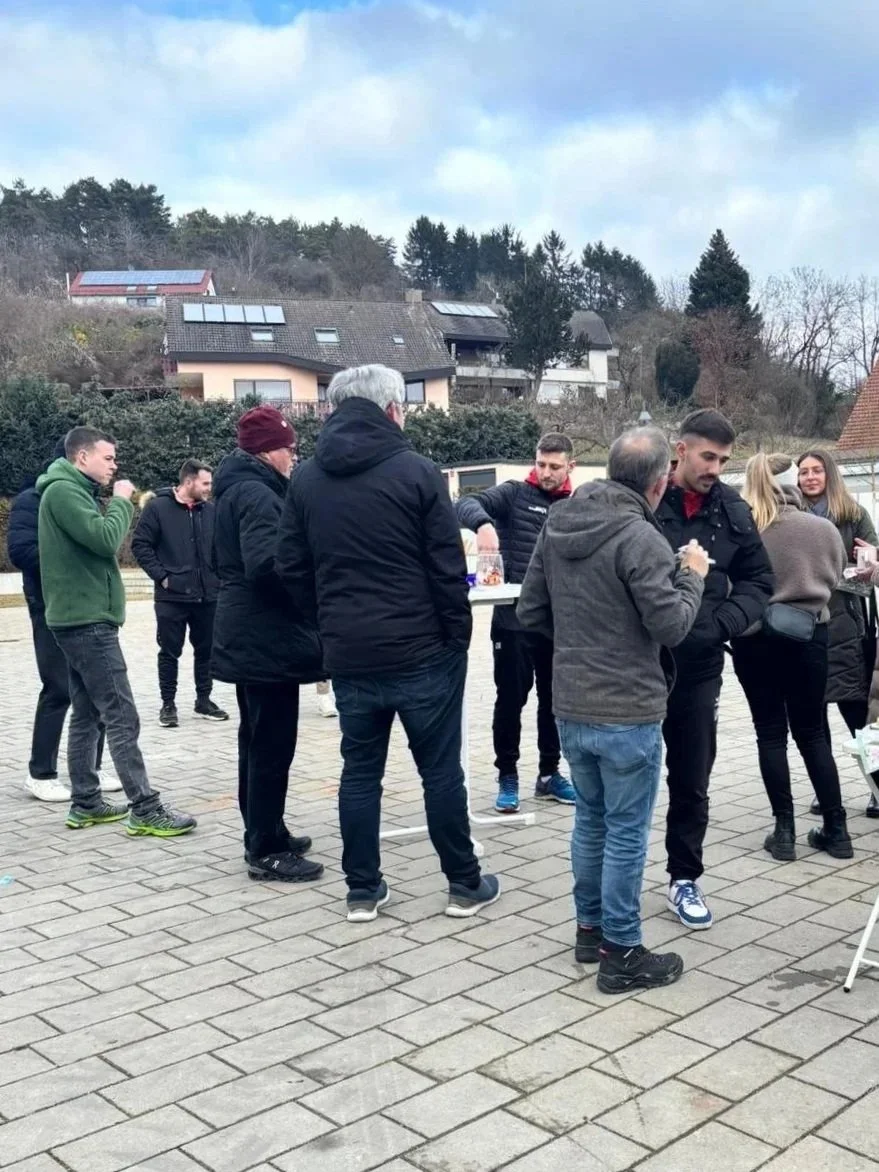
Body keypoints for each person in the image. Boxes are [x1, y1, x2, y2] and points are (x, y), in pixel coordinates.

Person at [276, 364, 499, 922]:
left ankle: (362, 889)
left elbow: (291, 567)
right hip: (423, 650)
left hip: (350, 652)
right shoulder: (418, 471)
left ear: (334, 409)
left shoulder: (306, 479)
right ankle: (463, 883)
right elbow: (446, 567)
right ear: (394, 409)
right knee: (440, 772)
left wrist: (326, 623)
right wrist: (457, 636)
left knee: (360, 772)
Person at [518, 426, 707, 993]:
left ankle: (590, 930)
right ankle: (621, 951)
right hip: (627, 708)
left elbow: (531, 610)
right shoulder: (640, 536)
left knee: (591, 821)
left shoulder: (558, 522)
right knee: (625, 831)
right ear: (659, 482)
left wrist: (581, 641)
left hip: (572, 704)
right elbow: (671, 625)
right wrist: (692, 577)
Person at [37, 426, 196, 836]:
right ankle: (145, 807)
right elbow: (106, 540)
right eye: (107, 458)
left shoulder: (71, 490)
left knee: (88, 712)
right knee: (121, 714)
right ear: (82, 457)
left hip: (80, 618)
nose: (114, 465)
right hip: (86, 621)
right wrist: (123, 501)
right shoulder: (63, 492)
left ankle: (85, 802)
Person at [655, 409, 773, 928]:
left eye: (724, 460)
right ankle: (611, 881)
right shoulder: (647, 497)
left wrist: (721, 623)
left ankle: (684, 877)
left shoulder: (732, 509)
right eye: (708, 457)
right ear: (680, 450)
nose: (715, 468)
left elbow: (760, 580)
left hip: (699, 663)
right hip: (639, 661)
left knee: (692, 775)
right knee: (626, 775)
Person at [212, 406, 324, 883]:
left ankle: (268, 829)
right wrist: (307, 592)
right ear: (266, 451)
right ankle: (265, 848)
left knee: (257, 740)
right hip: (265, 638)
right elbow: (267, 565)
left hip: (251, 634)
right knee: (271, 746)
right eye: (288, 448)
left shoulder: (236, 488)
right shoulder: (258, 494)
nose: (293, 456)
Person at [732, 454, 851, 860]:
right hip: (809, 635)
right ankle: (837, 830)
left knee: (770, 733)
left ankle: (784, 833)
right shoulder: (822, 528)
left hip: (755, 640)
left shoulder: (746, 529)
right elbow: (836, 575)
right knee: (813, 733)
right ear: (793, 482)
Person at [456, 434, 577, 812]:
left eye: (555, 466)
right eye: (541, 464)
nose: (546, 472)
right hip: (513, 622)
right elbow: (465, 503)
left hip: (558, 623)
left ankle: (549, 775)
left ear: (570, 467)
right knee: (510, 700)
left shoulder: (576, 505)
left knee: (554, 703)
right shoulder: (513, 494)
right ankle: (507, 774)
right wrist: (483, 526)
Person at [7, 440, 120, 802]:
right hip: (49, 604)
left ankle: (91, 768)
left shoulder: (84, 497)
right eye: (105, 457)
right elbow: (21, 551)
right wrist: (68, 558)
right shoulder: (34, 499)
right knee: (58, 687)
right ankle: (40, 773)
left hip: (86, 607)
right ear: (74, 459)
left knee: (95, 688)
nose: (111, 465)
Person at [798, 448, 879, 818]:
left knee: (860, 717)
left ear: (829, 474)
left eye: (817, 470)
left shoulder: (853, 513)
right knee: (814, 720)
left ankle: (877, 787)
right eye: (804, 472)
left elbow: (874, 559)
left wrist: (869, 563)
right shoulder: (791, 516)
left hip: (846, 627)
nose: (810, 477)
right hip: (805, 626)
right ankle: (826, 790)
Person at [131, 459, 228, 729]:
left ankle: (203, 701)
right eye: (205, 483)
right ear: (188, 482)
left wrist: (219, 578)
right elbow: (141, 545)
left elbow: (221, 547)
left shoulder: (211, 510)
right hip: (172, 597)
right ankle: (168, 704)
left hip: (208, 596)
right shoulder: (157, 508)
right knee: (169, 652)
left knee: (207, 651)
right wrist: (162, 577)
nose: (209, 488)